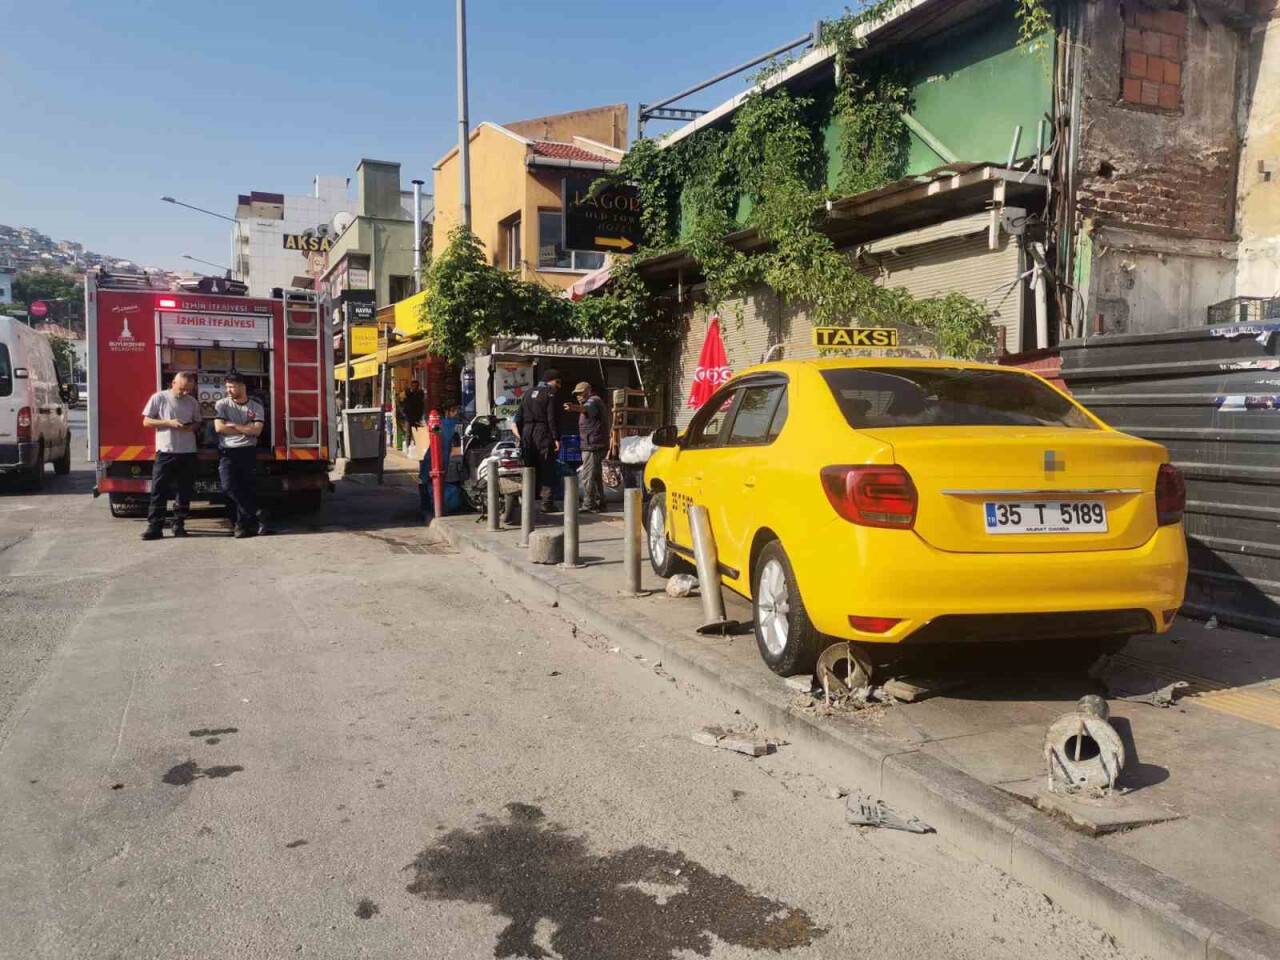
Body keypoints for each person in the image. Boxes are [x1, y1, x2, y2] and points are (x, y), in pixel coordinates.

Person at [140, 371, 202, 541]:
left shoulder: (192, 402)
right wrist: (168, 423)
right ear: (173, 383)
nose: (185, 392)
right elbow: (146, 421)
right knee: (159, 490)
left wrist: (191, 427)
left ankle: (179, 524)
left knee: (184, 490)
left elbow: (198, 422)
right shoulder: (159, 398)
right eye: (182, 389)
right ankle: (155, 526)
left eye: (188, 389)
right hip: (166, 451)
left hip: (188, 452)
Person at [214, 374, 267, 538]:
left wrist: (234, 425)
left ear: (243, 386)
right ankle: (255, 512)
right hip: (227, 452)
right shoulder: (222, 404)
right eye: (227, 387)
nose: (228, 390)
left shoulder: (256, 407)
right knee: (228, 486)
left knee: (245, 488)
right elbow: (219, 428)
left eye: (232, 386)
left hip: (247, 451)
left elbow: (257, 431)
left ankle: (240, 526)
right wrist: (245, 428)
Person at [514, 369, 562, 513]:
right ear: (552, 380)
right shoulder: (550, 393)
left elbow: (518, 417)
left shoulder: (527, 393)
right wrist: (556, 437)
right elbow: (551, 417)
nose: (558, 386)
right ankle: (546, 503)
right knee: (547, 467)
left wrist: (520, 437)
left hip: (527, 433)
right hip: (543, 432)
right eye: (558, 382)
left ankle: (528, 502)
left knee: (529, 468)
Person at [566, 381, 608, 512]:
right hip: (595, 444)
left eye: (581, 393)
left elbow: (585, 408)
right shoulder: (594, 401)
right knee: (595, 476)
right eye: (576, 394)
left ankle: (589, 504)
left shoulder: (593, 401)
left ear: (589, 391)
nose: (578, 396)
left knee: (588, 476)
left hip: (592, 446)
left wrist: (572, 407)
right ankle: (600, 503)